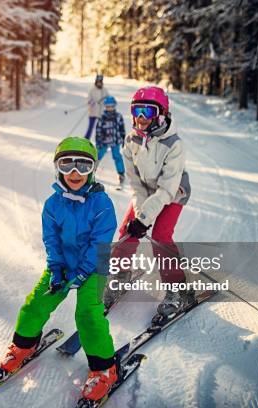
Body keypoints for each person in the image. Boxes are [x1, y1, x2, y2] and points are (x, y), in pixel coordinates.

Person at [0, 137, 118, 401]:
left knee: (87, 315)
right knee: (36, 303)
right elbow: (51, 239)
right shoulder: (53, 204)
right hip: (63, 265)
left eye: (83, 166)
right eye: (67, 165)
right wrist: (57, 267)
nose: (75, 173)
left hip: (93, 268)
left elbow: (100, 243)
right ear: (57, 168)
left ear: (93, 169)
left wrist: (84, 273)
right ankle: (23, 346)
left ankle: (104, 368)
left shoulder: (102, 204)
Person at [119, 86, 193, 325]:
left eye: (147, 112)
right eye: (136, 111)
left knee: (161, 236)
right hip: (147, 191)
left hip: (172, 193)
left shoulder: (174, 144)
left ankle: (178, 290)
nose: (140, 118)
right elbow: (136, 184)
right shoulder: (131, 140)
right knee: (127, 230)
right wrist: (140, 217)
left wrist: (147, 218)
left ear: (161, 114)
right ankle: (121, 274)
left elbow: (166, 190)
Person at [95, 95, 126, 187]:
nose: (110, 108)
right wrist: (98, 141)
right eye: (108, 107)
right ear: (105, 107)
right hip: (104, 141)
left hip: (115, 140)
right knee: (98, 155)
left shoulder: (118, 116)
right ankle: (91, 172)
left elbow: (121, 128)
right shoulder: (102, 117)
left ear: (114, 106)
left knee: (117, 156)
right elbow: (98, 129)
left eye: (112, 106)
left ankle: (121, 173)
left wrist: (123, 138)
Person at [84, 74, 109, 140]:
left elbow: (108, 99)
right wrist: (91, 102)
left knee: (101, 128)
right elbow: (88, 99)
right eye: (98, 82)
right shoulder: (92, 90)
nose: (99, 83)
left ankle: (102, 140)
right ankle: (86, 140)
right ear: (96, 82)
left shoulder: (104, 90)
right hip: (93, 112)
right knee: (90, 127)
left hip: (101, 113)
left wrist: (104, 101)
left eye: (100, 82)